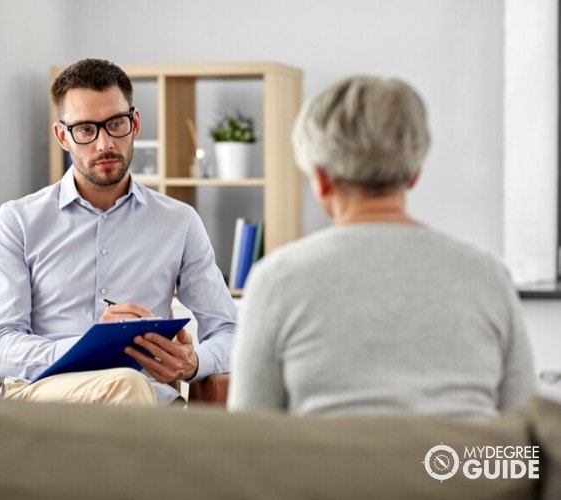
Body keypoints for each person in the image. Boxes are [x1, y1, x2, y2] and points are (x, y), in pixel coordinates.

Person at [227, 75, 536, 418]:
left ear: (322, 179)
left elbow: (249, 444)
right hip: (461, 471)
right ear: (414, 173)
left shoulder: (276, 280)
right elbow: (526, 431)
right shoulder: (488, 276)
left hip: (330, 473)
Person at [0, 58, 236, 407]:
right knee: (126, 384)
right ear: (62, 136)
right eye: (86, 129)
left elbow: (229, 331)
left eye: (115, 124)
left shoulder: (180, 222)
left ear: (134, 124)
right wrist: (93, 344)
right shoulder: (17, 221)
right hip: (45, 402)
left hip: (149, 403)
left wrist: (194, 363)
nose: (104, 144)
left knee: (131, 387)